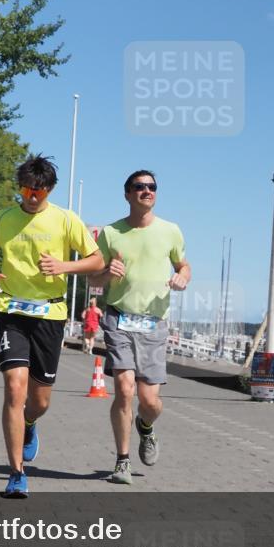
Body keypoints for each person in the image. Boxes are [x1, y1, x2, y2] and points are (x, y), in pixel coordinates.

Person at [0, 156, 103, 498]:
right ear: (19, 187)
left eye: (39, 191)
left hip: (50, 314)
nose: (31, 196)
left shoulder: (66, 220)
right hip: (11, 311)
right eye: (26, 189)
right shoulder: (2, 219)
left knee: (39, 401)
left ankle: (30, 423)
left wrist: (63, 266)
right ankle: (16, 473)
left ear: (50, 190)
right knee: (15, 388)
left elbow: (97, 260)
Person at [88, 170, 190, 485]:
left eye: (151, 187)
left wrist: (182, 277)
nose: (147, 190)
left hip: (154, 324)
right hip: (119, 319)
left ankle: (146, 427)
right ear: (127, 194)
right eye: (139, 186)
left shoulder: (170, 231)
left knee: (149, 402)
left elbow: (183, 265)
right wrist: (108, 272)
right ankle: (122, 462)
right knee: (124, 389)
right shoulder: (111, 233)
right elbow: (93, 281)